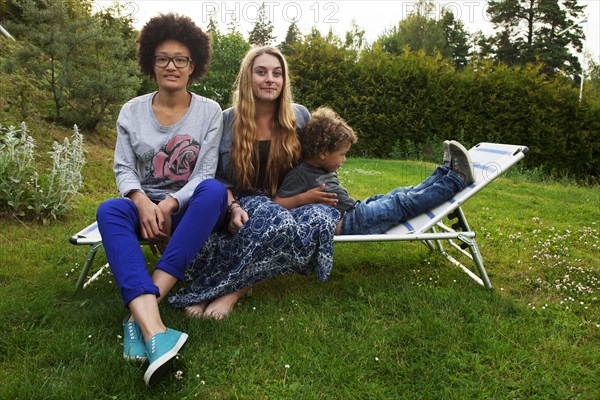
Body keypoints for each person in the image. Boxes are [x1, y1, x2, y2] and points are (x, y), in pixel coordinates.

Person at [95, 14, 227, 386]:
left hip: (189, 211)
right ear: (150, 64)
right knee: (109, 210)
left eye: (180, 59)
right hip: (144, 206)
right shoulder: (131, 111)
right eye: (163, 58)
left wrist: (168, 205)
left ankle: (139, 311)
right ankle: (156, 330)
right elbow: (123, 168)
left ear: (193, 66)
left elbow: (204, 174)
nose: (171, 66)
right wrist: (140, 201)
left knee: (214, 191)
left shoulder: (210, 112)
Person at [168, 46, 340, 319]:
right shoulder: (225, 120)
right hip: (242, 202)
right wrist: (233, 206)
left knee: (316, 221)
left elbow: (316, 162)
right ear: (248, 79)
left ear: (284, 80)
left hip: (291, 201)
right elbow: (212, 175)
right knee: (260, 223)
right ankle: (215, 288)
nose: (270, 79)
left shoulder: (300, 117)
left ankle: (230, 292)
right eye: (261, 72)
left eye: (277, 73)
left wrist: (325, 194)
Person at [275, 107, 475, 235]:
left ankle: (445, 172)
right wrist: (306, 198)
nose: (344, 160)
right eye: (342, 155)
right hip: (351, 223)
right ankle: (457, 179)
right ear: (323, 153)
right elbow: (278, 203)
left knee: (400, 193)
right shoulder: (300, 174)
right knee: (401, 202)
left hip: (355, 211)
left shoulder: (321, 164)